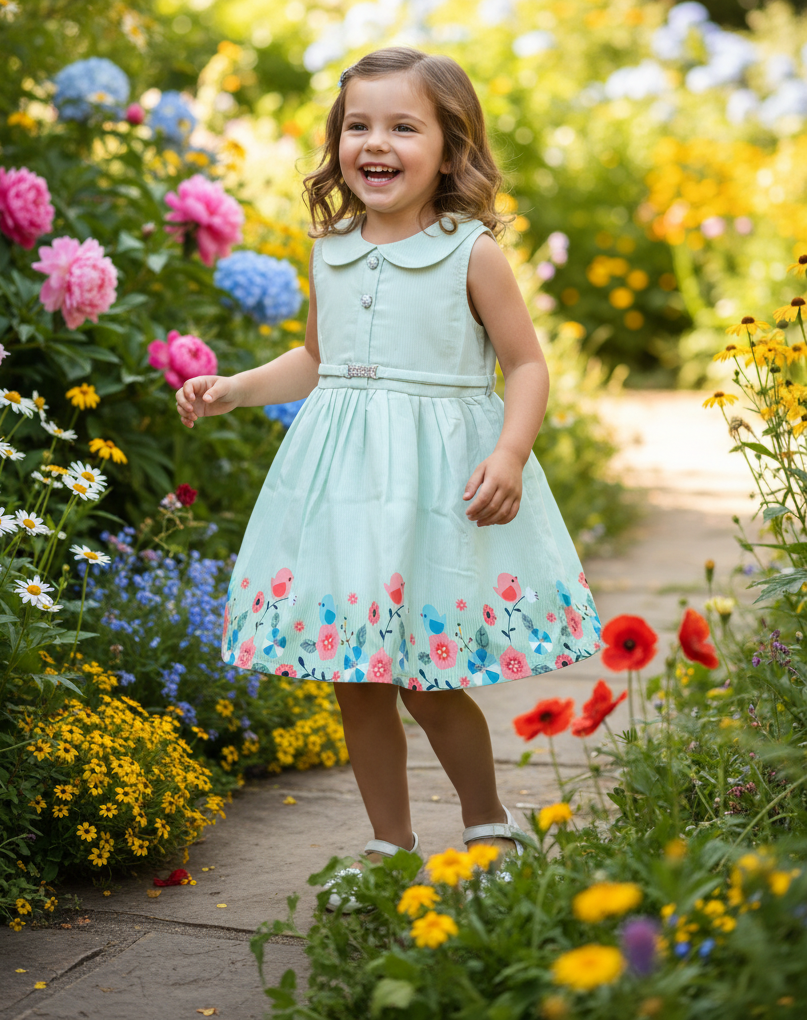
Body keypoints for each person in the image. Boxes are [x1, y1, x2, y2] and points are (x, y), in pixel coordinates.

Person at [175, 47, 601, 899]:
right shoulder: (329, 249)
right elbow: (316, 360)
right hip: (342, 489)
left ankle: (488, 825)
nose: (377, 142)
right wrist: (234, 392)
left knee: (426, 674)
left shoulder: (468, 252)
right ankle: (388, 846)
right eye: (358, 126)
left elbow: (526, 366)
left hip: (435, 490)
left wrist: (509, 453)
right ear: (337, 144)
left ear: (451, 149)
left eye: (404, 126)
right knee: (355, 677)